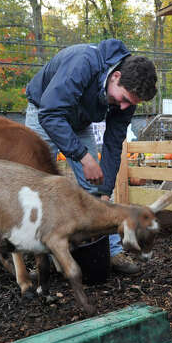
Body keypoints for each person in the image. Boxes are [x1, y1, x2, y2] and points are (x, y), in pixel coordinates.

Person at [25, 38, 158, 275]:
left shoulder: (127, 97)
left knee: (95, 186)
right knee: (37, 186)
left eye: (131, 104)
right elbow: (51, 114)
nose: (125, 107)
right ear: (115, 77)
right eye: (125, 99)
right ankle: (43, 262)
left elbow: (113, 142)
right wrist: (84, 157)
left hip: (78, 120)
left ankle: (112, 252)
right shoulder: (83, 62)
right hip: (44, 113)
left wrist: (105, 190)